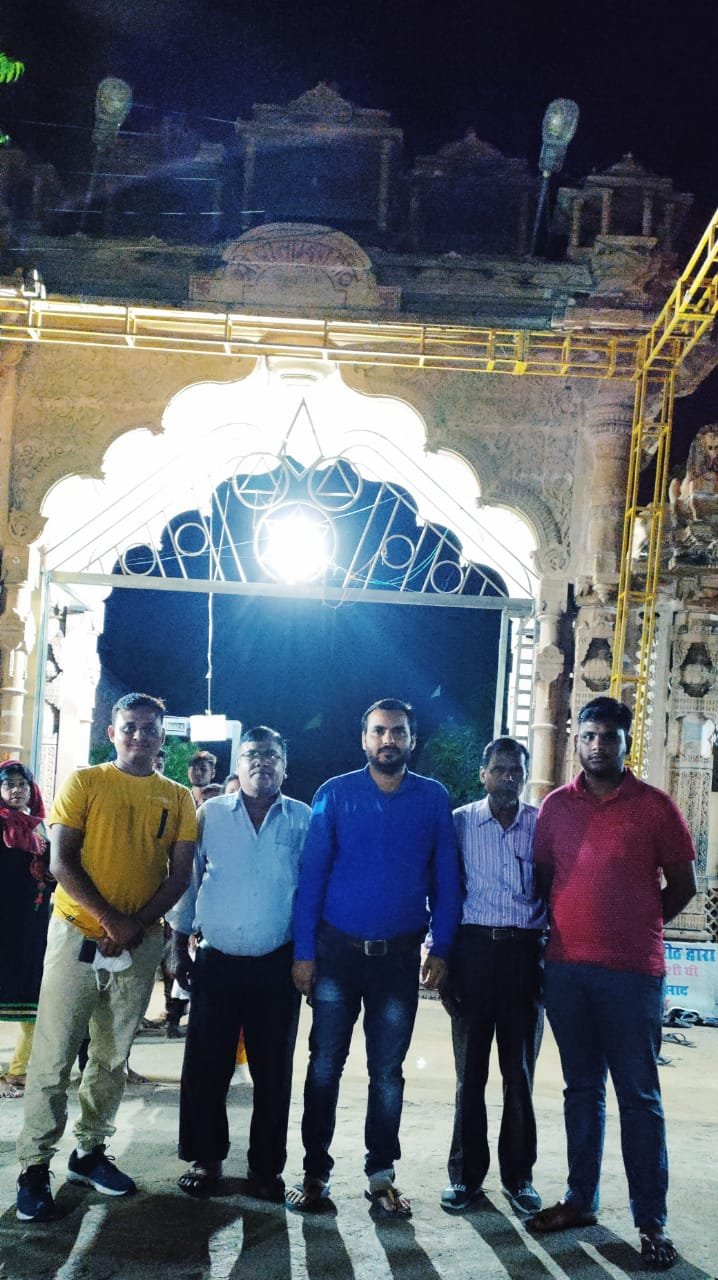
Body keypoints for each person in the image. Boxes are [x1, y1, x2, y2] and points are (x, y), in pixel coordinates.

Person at [527, 697, 697, 1273]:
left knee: (639, 1098)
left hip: (632, 976)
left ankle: (652, 1222)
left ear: (626, 743)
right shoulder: (555, 807)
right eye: (589, 736)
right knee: (581, 1091)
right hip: (567, 972)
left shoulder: (656, 807)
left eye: (608, 737)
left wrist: (638, 923)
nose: (597, 745)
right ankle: (581, 1200)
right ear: (576, 741)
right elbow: (546, 879)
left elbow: (683, 885)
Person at [16, 692, 197, 1223]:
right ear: (113, 733)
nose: (140, 735)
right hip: (75, 934)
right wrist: (110, 919)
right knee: (54, 1055)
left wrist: (133, 925)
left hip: (138, 943)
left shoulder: (178, 798)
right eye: (130, 726)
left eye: (150, 728)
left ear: (163, 738)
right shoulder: (85, 782)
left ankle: (90, 1151)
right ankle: (34, 1166)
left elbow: (179, 875)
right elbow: (61, 860)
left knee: (112, 1056)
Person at [287, 697, 462, 1218]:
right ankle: (314, 1174)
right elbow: (312, 878)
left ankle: (381, 1176)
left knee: (387, 1072)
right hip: (335, 955)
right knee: (325, 1065)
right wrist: (304, 953)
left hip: (398, 959)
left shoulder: (432, 798)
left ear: (412, 740)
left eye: (398, 732)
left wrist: (443, 946)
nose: (389, 740)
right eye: (380, 731)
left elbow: (447, 880)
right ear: (364, 740)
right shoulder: (335, 794)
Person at [169, 726, 310, 1200]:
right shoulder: (210, 814)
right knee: (206, 1066)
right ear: (238, 763)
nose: (261, 763)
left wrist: (307, 957)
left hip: (278, 965)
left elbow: (310, 891)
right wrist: (179, 946)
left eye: (271, 756)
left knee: (273, 1070)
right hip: (217, 962)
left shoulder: (302, 819)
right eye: (252, 755)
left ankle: (266, 1169)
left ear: (284, 766)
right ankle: (206, 1159)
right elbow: (189, 881)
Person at [441, 737, 546, 1217]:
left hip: (524, 956)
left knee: (518, 1073)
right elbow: (443, 894)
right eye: (499, 769)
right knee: (471, 1073)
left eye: (516, 770)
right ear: (482, 773)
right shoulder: (460, 824)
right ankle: (465, 1177)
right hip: (473, 954)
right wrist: (442, 958)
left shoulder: (541, 826)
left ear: (524, 775)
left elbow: (554, 891)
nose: (508, 777)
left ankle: (519, 1177)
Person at [0, 761, 51, 1098]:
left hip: (32, 927)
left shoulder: (41, 828)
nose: (17, 790)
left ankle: (18, 1071)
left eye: (22, 784)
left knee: (33, 1000)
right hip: (3, 925)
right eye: (9, 784)